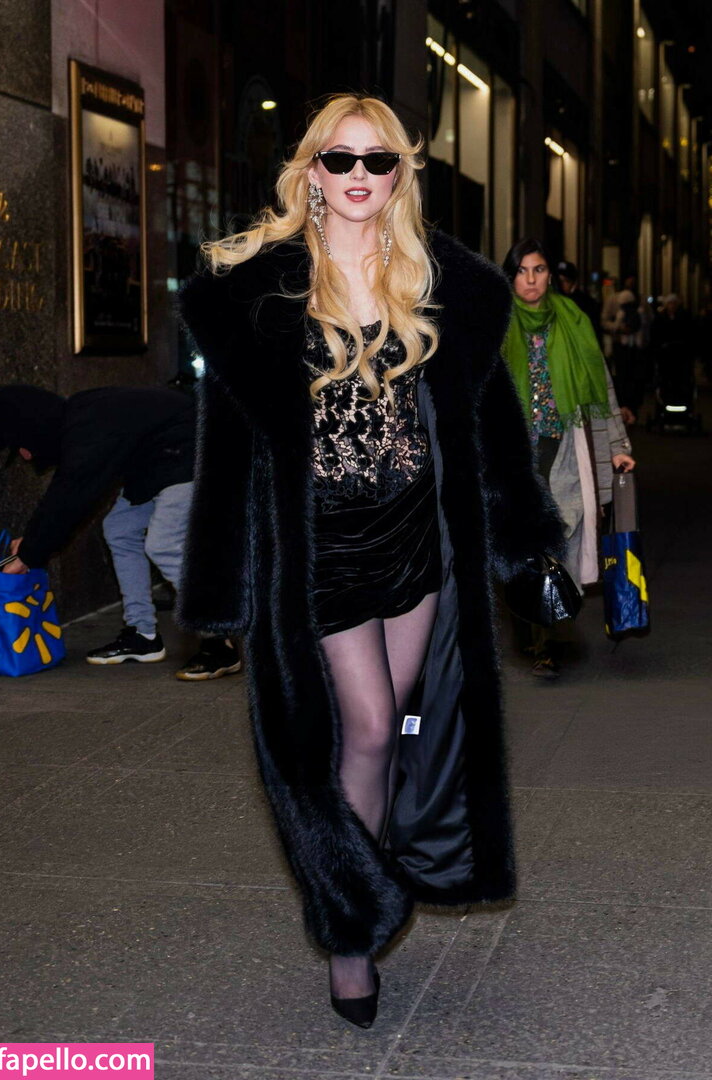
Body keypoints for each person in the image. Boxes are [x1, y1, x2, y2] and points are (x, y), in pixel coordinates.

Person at [176, 93, 565, 1028]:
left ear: (400, 174)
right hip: (321, 545)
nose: (358, 175)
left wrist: (525, 542)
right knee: (369, 720)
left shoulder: (441, 282)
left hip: (417, 534)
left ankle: (369, 874)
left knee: (399, 730)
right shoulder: (256, 289)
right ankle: (352, 930)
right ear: (311, 171)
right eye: (340, 158)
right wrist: (220, 584)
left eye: (378, 160)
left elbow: (490, 427)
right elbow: (224, 446)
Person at [0, 384, 241, 680]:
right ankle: (142, 634)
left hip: (194, 455)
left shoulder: (86, 430)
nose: (25, 456)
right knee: (120, 529)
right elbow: (70, 490)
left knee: (163, 544)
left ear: (32, 427)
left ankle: (218, 639)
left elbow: (69, 496)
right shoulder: (80, 419)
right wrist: (32, 544)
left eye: (20, 444)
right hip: (160, 461)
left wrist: (30, 552)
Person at [501, 239, 635, 677]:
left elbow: (601, 386)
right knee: (526, 545)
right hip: (517, 455)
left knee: (563, 537)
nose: (531, 279)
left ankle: (551, 638)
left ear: (550, 276)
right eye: (522, 271)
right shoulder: (497, 323)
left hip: (565, 448)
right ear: (510, 276)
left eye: (538, 270)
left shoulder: (573, 320)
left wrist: (618, 447)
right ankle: (533, 627)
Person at [601, 274, 647, 422]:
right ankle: (623, 408)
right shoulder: (613, 300)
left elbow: (645, 324)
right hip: (620, 345)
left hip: (635, 348)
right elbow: (605, 321)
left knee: (634, 379)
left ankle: (632, 407)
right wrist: (619, 328)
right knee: (621, 378)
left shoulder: (640, 302)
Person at [556, 259, 601, 340]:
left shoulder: (586, 303)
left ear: (573, 283)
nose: (561, 285)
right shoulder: (551, 301)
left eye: (566, 281)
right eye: (559, 281)